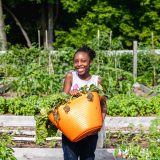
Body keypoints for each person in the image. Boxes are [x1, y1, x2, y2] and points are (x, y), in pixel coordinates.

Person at [62, 45, 107, 160]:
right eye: (76, 61)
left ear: (90, 62)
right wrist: (70, 94)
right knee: (70, 158)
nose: (79, 64)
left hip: (90, 132)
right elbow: (62, 102)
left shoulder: (97, 81)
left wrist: (99, 124)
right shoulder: (70, 77)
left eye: (83, 61)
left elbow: (103, 105)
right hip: (71, 129)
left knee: (88, 157)